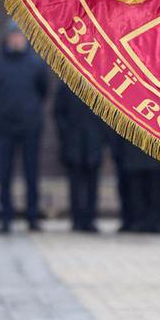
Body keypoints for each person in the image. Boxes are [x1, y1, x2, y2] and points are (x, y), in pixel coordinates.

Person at [0, 25, 50, 232]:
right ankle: (6, 217)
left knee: (32, 173)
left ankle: (32, 216)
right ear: (6, 39)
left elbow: (43, 90)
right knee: (4, 173)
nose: (16, 40)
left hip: (30, 126)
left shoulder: (36, 62)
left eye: (20, 36)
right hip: (4, 126)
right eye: (12, 36)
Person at [53, 84, 107, 233]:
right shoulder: (67, 86)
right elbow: (58, 113)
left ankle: (90, 219)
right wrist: (66, 134)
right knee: (75, 185)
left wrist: (102, 138)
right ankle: (76, 219)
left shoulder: (100, 85)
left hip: (93, 143)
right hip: (74, 143)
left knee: (92, 184)